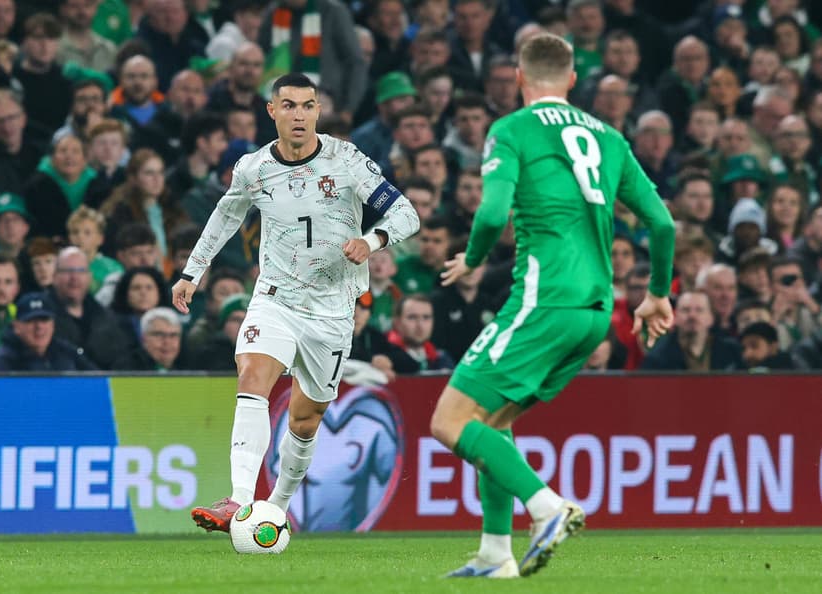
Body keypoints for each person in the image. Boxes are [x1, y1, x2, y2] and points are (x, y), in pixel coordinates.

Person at [425, 34, 676, 579]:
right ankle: (496, 554)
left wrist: (472, 258)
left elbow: (492, 215)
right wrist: (657, 293)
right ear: (570, 81)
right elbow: (661, 222)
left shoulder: (511, 130)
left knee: (448, 421)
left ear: (518, 78)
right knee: (490, 420)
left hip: (543, 300)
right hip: (595, 311)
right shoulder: (609, 137)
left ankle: (546, 508)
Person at [172, 73, 419, 533]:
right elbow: (224, 217)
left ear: (318, 111)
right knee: (252, 373)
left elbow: (406, 212)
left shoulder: (347, 160)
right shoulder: (252, 169)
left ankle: (277, 506)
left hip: (332, 309)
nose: (299, 115)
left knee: (306, 421)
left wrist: (373, 239)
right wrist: (192, 271)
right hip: (275, 299)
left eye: (307, 106)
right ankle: (239, 499)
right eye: (288, 106)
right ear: (272, 111)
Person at [0, 291, 97, 371]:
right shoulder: (2, 361)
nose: (39, 326)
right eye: (31, 320)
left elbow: (97, 380)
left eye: (44, 319)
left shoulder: (66, 352)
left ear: (53, 324)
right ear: (16, 326)